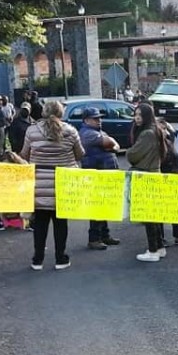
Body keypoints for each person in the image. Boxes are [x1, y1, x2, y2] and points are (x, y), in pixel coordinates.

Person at [21, 100, 84, 270]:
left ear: (43, 112)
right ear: (61, 112)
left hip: (39, 184)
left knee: (40, 222)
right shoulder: (70, 131)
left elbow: (24, 155)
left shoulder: (32, 131)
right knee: (60, 222)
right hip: (63, 183)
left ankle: (38, 259)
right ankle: (60, 258)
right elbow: (80, 154)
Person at [127, 103, 168, 262]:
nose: (136, 118)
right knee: (154, 215)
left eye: (139, 115)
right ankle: (159, 247)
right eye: (135, 115)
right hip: (154, 174)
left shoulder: (147, 134)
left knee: (148, 215)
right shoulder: (157, 130)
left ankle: (152, 250)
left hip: (146, 176)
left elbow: (133, 155)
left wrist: (128, 151)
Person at [78, 106, 121, 250]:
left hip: (104, 172)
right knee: (96, 206)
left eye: (99, 118)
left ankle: (105, 235)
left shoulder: (98, 131)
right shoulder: (87, 133)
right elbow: (110, 143)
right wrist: (111, 145)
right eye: (95, 119)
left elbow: (115, 145)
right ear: (86, 120)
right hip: (95, 172)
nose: (99, 120)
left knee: (104, 205)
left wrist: (112, 145)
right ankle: (94, 238)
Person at [157, 116, 178, 247]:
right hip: (161, 179)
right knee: (159, 211)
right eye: (161, 129)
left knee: (176, 210)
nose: (164, 131)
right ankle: (160, 237)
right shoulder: (155, 144)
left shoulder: (169, 141)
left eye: (165, 128)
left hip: (174, 178)